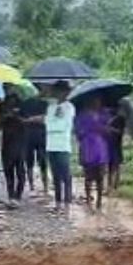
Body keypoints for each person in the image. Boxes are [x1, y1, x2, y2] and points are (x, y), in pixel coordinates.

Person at [43, 81, 75, 211]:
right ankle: (57, 201)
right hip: (51, 144)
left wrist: (53, 124)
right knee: (55, 174)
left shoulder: (69, 107)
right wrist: (53, 123)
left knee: (65, 174)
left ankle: (67, 201)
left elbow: (64, 126)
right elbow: (47, 123)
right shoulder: (51, 107)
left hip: (63, 145)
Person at [74, 95, 110, 210]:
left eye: (98, 101)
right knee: (88, 176)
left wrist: (103, 128)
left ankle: (99, 200)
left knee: (100, 176)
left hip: (100, 150)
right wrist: (89, 130)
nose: (96, 103)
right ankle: (88, 199)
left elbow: (108, 131)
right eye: (94, 101)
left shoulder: (104, 115)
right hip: (88, 148)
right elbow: (78, 133)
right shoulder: (82, 116)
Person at [0, 87, 27, 203]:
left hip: (20, 140)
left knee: (20, 172)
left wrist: (17, 116)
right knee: (8, 170)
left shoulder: (23, 105)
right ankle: (11, 195)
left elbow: (27, 120)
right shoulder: (2, 105)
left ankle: (18, 195)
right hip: (7, 141)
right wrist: (6, 116)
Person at [19, 91, 49, 195]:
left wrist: (29, 120)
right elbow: (45, 118)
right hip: (38, 135)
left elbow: (22, 119)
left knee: (33, 162)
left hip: (32, 135)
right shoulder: (44, 104)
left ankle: (35, 186)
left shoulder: (26, 103)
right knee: (38, 162)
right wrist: (37, 119)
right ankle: (42, 186)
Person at [107, 98, 128, 192]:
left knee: (116, 165)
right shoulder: (107, 117)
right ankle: (110, 185)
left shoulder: (121, 119)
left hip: (116, 144)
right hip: (108, 144)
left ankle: (115, 185)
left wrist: (111, 129)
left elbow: (121, 132)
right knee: (110, 166)